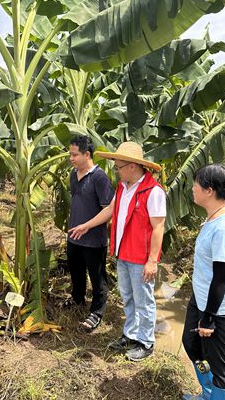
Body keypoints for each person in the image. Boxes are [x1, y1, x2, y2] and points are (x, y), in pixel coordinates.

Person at [70, 142, 165, 361]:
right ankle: (130, 335)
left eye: (118, 167)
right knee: (128, 297)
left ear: (133, 166)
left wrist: (152, 260)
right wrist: (87, 225)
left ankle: (146, 342)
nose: (116, 171)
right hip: (123, 252)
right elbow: (111, 210)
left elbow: (158, 227)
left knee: (144, 300)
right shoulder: (123, 187)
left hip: (141, 257)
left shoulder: (153, 191)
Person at [181, 164, 225, 400]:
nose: (192, 189)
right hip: (202, 299)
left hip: (219, 307)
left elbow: (221, 277)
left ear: (209, 190)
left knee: (219, 361)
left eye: (196, 184)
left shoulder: (223, 228)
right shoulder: (213, 217)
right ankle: (209, 394)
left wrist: (209, 318)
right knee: (191, 343)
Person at [66, 135, 114, 332]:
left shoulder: (100, 178)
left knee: (97, 278)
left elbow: (109, 210)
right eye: (70, 154)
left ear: (87, 154)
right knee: (76, 273)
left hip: (94, 239)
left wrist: (87, 225)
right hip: (74, 237)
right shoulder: (73, 175)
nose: (71, 158)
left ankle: (97, 312)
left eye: (75, 155)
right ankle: (77, 300)